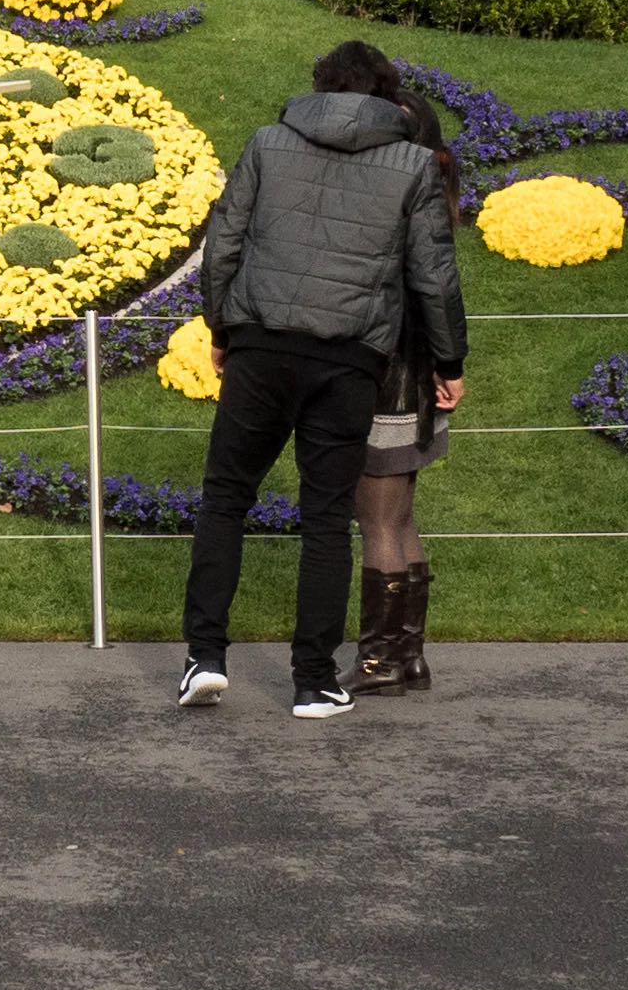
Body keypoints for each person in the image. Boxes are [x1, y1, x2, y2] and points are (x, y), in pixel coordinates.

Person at [177, 39, 467, 718]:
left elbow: (222, 242)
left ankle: (204, 658)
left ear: (320, 85)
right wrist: (448, 362)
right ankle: (313, 680)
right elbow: (433, 274)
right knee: (326, 519)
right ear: (384, 92)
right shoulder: (413, 164)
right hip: (347, 359)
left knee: (224, 499)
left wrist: (221, 329)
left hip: (259, 345)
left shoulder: (266, 141)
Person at [347, 52, 465, 696]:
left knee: (380, 523)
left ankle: (379, 659)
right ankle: (408, 654)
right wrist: (450, 366)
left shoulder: (396, 191)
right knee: (401, 518)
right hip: (419, 374)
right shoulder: (433, 190)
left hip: (388, 375)